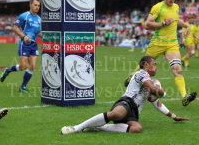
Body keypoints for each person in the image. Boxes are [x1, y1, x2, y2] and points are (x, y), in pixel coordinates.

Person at [61, 56, 189, 135]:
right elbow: (152, 89)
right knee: (117, 114)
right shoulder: (141, 73)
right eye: (154, 65)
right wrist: (162, 92)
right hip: (126, 103)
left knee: (137, 128)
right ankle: (75, 128)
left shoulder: (151, 81)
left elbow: (157, 104)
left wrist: (174, 117)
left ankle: (100, 127)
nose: (156, 68)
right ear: (146, 65)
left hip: (133, 112)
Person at [124, 0, 197, 106]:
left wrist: (186, 26)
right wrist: (163, 23)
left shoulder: (176, 7)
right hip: (158, 43)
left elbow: (175, 20)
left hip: (172, 44)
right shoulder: (158, 7)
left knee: (178, 70)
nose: (172, 0)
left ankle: (184, 96)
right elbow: (147, 24)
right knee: (144, 68)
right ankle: (132, 75)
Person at [0, 0, 41, 93]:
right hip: (24, 44)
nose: (37, 7)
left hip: (34, 44)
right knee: (23, 66)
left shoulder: (39, 19)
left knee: (33, 66)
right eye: (35, 5)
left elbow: (39, 32)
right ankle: (7, 71)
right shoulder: (24, 16)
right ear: (30, 5)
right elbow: (15, 28)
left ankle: (23, 87)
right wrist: (23, 36)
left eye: (38, 6)